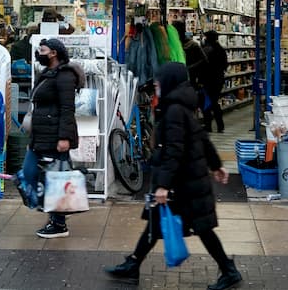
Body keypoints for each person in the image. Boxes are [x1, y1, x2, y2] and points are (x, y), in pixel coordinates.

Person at [103, 62, 242, 290]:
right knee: (156, 224)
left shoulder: (174, 109)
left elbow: (174, 150)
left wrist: (163, 186)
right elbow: (201, 137)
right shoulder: (179, 105)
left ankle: (229, 270)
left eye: (159, 80)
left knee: (201, 228)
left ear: (169, 82)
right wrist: (217, 165)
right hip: (185, 179)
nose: (155, 84)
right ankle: (133, 263)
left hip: (184, 182)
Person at [22, 37, 84, 239]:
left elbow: (68, 109)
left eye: (42, 49)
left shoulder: (64, 76)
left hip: (54, 135)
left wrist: (64, 137)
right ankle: (51, 211)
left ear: (54, 53)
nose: (39, 52)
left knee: (57, 179)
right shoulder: (47, 74)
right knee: (30, 172)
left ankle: (58, 223)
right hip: (40, 134)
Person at [200, 30, 228, 134]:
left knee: (206, 103)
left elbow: (202, 65)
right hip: (218, 80)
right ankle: (220, 126)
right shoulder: (221, 49)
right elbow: (225, 65)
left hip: (208, 80)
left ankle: (208, 126)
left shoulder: (206, 49)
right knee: (214, 102)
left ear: (208, 38)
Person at [172, 20, 206, 89]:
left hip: (190, 81)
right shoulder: (173, 44)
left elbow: (204, 60)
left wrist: (189, 68)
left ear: (182, 31)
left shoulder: (192, 44)